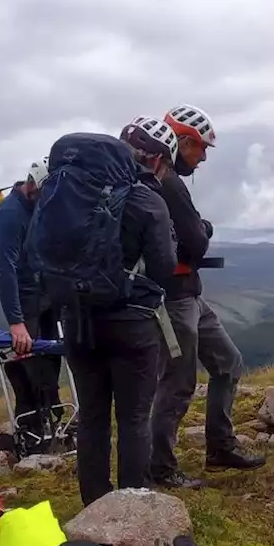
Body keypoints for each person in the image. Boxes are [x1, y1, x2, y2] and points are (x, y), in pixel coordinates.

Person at [55, 119, 178, 507]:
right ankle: (134, 508)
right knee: (133, 418)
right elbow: (163, 266)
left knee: (92, 415)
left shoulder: (67, 194)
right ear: (154, 160)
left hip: (76, 320)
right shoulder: (146, 200)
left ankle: (94, 506)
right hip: (131, 323)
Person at [149, 103, 265, 490]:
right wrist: (204, 228)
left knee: (228, 362)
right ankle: (161, 467)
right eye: (200, 149)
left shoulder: (164, 179)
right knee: (177, 383)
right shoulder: (167, 181)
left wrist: (199, 229)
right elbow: (196, 241)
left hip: (188, 295)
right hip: (173, 300)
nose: (201, 159)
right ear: (182, 141)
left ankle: (219, 447)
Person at [0, 156, 63, 454]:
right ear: (33, 185)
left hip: (46, 293)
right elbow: (4, 271)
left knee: (51, 358)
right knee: (28, 363)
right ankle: (31, 430)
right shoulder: (9, 214)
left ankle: (52, 417)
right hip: (25, 299)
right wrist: (16, 321)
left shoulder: (39, 205)